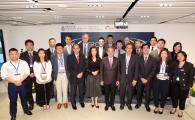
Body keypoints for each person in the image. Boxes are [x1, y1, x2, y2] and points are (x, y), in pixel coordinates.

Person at [1, 48, 32, 120]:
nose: (14, 55)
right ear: (9, 55)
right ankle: (13, 114)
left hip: (22, 83)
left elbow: (27, 72)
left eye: (15, 54)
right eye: (11, 54)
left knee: (24, 98)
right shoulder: (5, 65)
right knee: (12, 100)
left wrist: (20, 80)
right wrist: (14, 81)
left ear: (18, 54)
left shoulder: (23, 62)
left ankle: (26, 110)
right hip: (12, 85)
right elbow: (4, 76)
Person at [170, 51, 194, 118]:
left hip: (184, 85)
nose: (179, 57)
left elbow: (191, 77)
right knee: (174, 97)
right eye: (178, 56)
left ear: (185, 57)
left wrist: (189, 86)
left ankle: (180, 110)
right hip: (175, 84)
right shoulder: (175, 64)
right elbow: (172, 74)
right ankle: (174, 107)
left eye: (181, 56)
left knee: (182, 98)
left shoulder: (189, 65)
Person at [135, 44, 157, 112]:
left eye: (147, 48)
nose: (145, 49)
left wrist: (147, 79)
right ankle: (138, 103)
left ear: (149, 49)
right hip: (140, 79)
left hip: (149, 80)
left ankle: (147, 105)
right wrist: (141, 78)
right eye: (144, 48)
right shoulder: (138, 58)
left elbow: (154, 70)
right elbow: (137, 69)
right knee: (139, 92)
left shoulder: (153, 59)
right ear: (142, 49)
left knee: (148, 93)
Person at [20, 39, 39, 110]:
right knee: (28, 90)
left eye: (31, 45)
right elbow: (22, 66)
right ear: (25, 46)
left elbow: (39, 64)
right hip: (27, 76)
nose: (29, 46)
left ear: (33, 46)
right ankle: (31, 103)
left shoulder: (37, 54)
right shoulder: (22, 55)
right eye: (28, 45)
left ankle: (39, 101)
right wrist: (28, 73)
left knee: (38, 89)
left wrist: (34, 72)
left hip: (36, 75)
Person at [118, 43, 138, 110]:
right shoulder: (121, 56)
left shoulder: (135, 57)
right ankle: (122, 103)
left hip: (131, 77)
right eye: (128, 48)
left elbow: (137, 69)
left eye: (131, 48)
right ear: (125, 49)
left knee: (130, 91)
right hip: (122, 76)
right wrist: (118, 78)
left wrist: (135, 79)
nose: (129, 49)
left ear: (132, 49)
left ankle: (128, 103)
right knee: (122, 91)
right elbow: (118, 68)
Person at [153, 48, 173, 114]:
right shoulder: (156, 61)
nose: (163, 55)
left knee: (164, 94)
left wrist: (169, 76)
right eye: (162, 53)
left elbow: (172, 72)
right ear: (160, 54)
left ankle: (161, 107)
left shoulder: (170, 63)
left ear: (167, 55)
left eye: (165, 53)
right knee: (155, 94)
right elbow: (154, 70)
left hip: (165, 81)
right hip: (157, 80)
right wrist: (156, 75)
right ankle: (156, 106)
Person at [67, 44, 86, 110]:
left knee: (81, 90)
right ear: (73, 49)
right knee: (73, 91)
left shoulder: (83, 56)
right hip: (73, 77)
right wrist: (76, 74)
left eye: (77, 48)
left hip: (81, 76)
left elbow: (85, 66)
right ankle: (73, 103)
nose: (76, 49)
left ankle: (81, 101)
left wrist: (82, 73)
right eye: (74, 48)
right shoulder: (69, 57)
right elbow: (69, 68)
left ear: (79, 49)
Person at [100, 47, 120, 111]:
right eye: (109, 51)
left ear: (114, 52)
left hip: (114, 80)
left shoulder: (117, 60)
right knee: (106, 93)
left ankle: (112, 104)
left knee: (113, 93)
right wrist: (101, 80)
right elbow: (101, 71)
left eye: (112, 51)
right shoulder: (103, 60)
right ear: (107, 52)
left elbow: (118, 71)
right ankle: (107, 104)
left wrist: (118, 80)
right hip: (105, 80)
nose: (111, 52)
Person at [51, 43, 69, 109]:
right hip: (57, 74)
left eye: (60, 48)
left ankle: (65, 102)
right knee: (58, 89)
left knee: (65, 88)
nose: (59, 50)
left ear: (63, 49)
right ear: (55, 49)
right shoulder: (52, 56)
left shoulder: (66, 55)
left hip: (65, 74)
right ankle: (59, 102)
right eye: (57, 48)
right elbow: (51, 67)